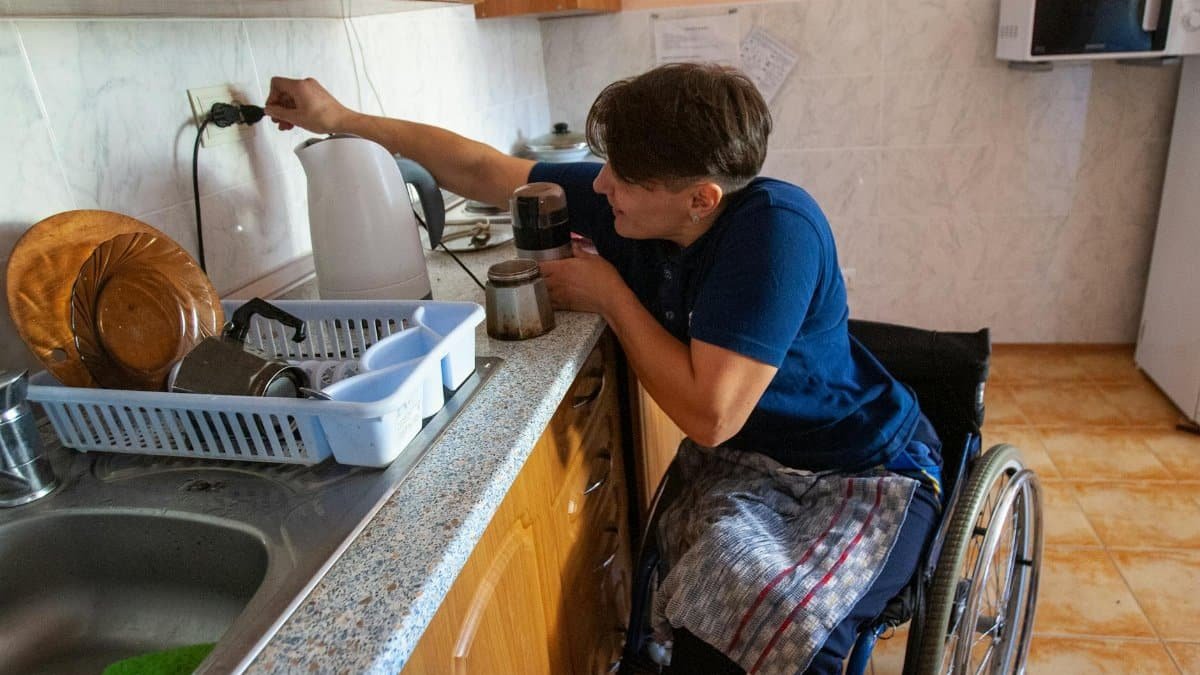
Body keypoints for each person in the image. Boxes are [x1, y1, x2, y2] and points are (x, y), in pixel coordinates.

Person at [265, 64, 943, 675]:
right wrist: (341, 121)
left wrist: (610, 295)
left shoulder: (776, 234)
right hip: (753, 463)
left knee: (778, 616)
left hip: (858, 469)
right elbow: (481, 169)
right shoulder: (634, 208)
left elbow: (711, 416)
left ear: (700, 199)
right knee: (706, 600)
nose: (599, 182)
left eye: (622, 175)